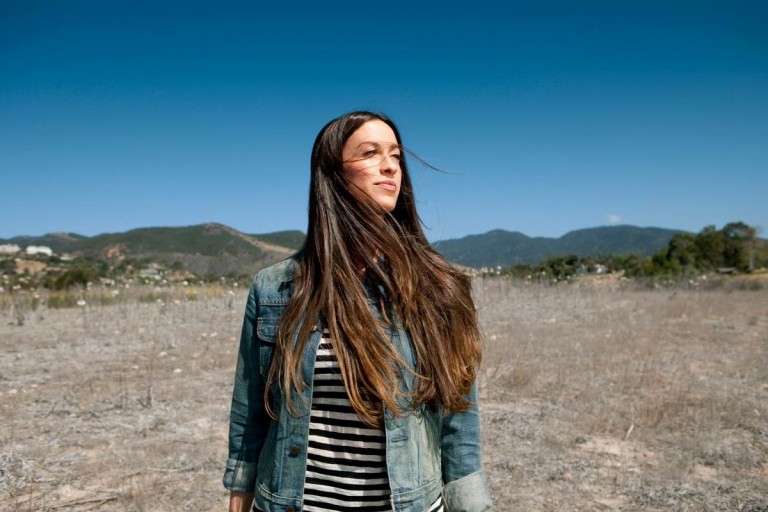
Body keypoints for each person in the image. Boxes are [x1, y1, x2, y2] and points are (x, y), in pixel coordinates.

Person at [224, 111, 492, 512]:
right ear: (332, 174)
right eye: (370, 153)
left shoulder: (437, 286)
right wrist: (238, 501)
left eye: (395, 155)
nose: (390, 166)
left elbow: (459, 420)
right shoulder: (276, 289)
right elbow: (250, 414)